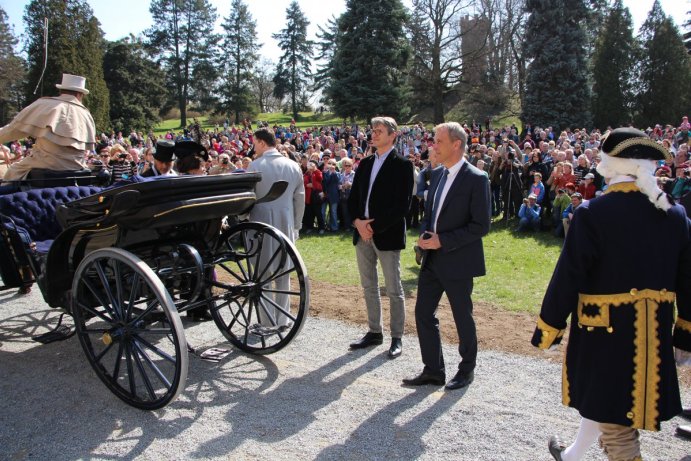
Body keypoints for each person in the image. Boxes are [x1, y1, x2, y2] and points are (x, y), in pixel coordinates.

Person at [531, 127, 691, 461]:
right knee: (607, 403)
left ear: (610, 165)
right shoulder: (674, 214)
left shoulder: (594, 212)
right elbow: (687, 279)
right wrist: (685, 332)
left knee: (616, 420)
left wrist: (550, 325)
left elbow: (568, 275)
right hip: (654, 335)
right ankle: (573, 454)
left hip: (603, 331)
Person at [402, 121, 491, 390]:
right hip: (432, 260)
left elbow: (481, 225)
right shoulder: (437, 174)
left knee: (462, 316)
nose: (433, 145)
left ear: (456, 144)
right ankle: (433, 370)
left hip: (459, 259)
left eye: (439, 141)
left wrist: (444, 241)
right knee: (423, 313)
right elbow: (431, 213)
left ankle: (466, 370)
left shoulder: (477, 178)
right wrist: (425, 237)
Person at [347, 116, 414, 358]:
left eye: (379, 131)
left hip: (386, 234)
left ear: (392, 135)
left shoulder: (403, 165)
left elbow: (402, 206)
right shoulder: (364, 164)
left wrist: (373, 227)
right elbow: (353, 199)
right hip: (361, 232)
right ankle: (374, 331)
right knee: (368, 286)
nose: (373, 134)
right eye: (372, 130)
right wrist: (357, 223)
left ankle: (397, 337)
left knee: (394, 289)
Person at [248, 127, 305, 328]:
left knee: (263, 272)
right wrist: (296, 225)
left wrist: (241, 217)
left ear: (263, 143)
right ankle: (283, 318)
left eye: (254, 143)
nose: (253, 147)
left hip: (260, 223)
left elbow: (248, 198)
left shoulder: (254, 166)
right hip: (286, 222)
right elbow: (300, 199)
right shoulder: (292, 165)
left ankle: (266, 321)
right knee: (283, 270)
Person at [1, 74, 96, 182]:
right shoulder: (86, 114)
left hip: (45, 164)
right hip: (77, 167)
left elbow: (13, 131)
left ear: (61, 90)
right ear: (80, 94)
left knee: (13, 171)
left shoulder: (45, 104)